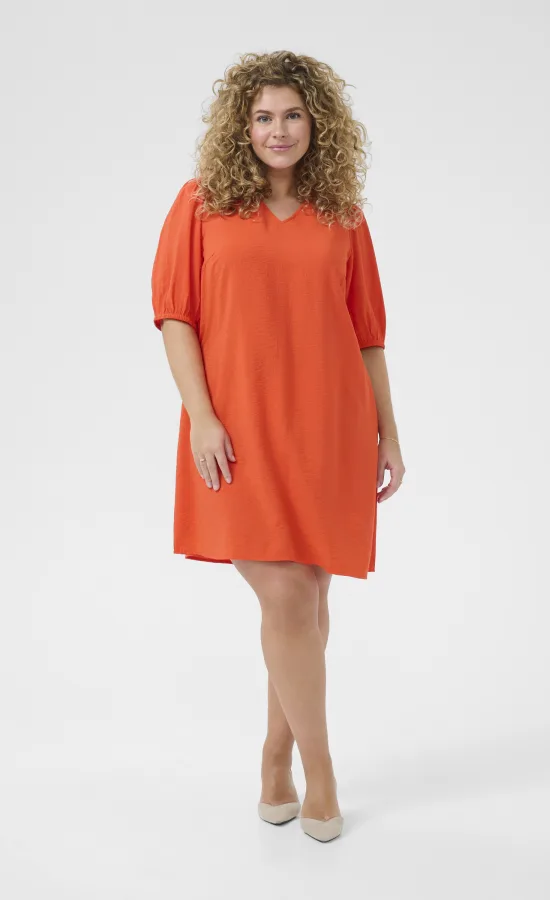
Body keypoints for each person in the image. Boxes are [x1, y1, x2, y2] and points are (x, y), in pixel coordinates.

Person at [151, 50, 405, 842]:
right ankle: (320, 772)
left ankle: (274, 758)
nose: (278, 129)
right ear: (242, 125)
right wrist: (202, 417)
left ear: (317, 123)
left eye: (292, 114)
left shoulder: (343, 216)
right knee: (289, 598)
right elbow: (176, 317)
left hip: (329, 427)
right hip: (240, 432)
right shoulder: (201, 204)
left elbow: (367, 336)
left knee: (311, 602)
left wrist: (388, 430)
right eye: (263, 116)